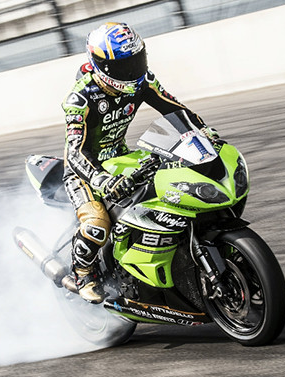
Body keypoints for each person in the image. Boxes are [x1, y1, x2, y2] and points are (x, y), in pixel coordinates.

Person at [62, 22, 218, 303]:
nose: (133, 70)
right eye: (125, 66)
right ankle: (82, 273)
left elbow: (174, 109)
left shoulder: (143, 81)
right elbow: (75, 152)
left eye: (137, 60)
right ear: (102, 66)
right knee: (98, 223)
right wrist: (100, 179)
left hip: (122, 158)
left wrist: (204, 132)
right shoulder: (81, 98)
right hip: (84, 172)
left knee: (170, 183)